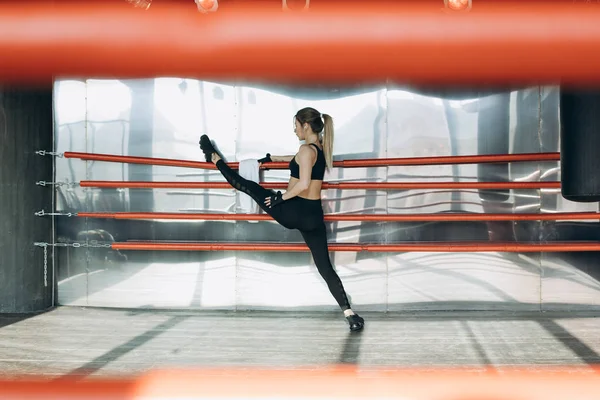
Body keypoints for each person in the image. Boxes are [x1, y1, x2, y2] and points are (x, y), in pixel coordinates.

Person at [199, 107, 364, 332]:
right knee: (325, 268)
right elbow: (299, 161)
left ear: (306, 126)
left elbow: (303, 182)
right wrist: (273, 158)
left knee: (248, 186)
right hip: (313, 216)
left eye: (296, 125)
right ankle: (350, 314)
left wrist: (280, 198)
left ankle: (215, 158)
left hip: (293, 210)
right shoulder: (319, 149)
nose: (294, 130)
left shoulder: (306, 150)